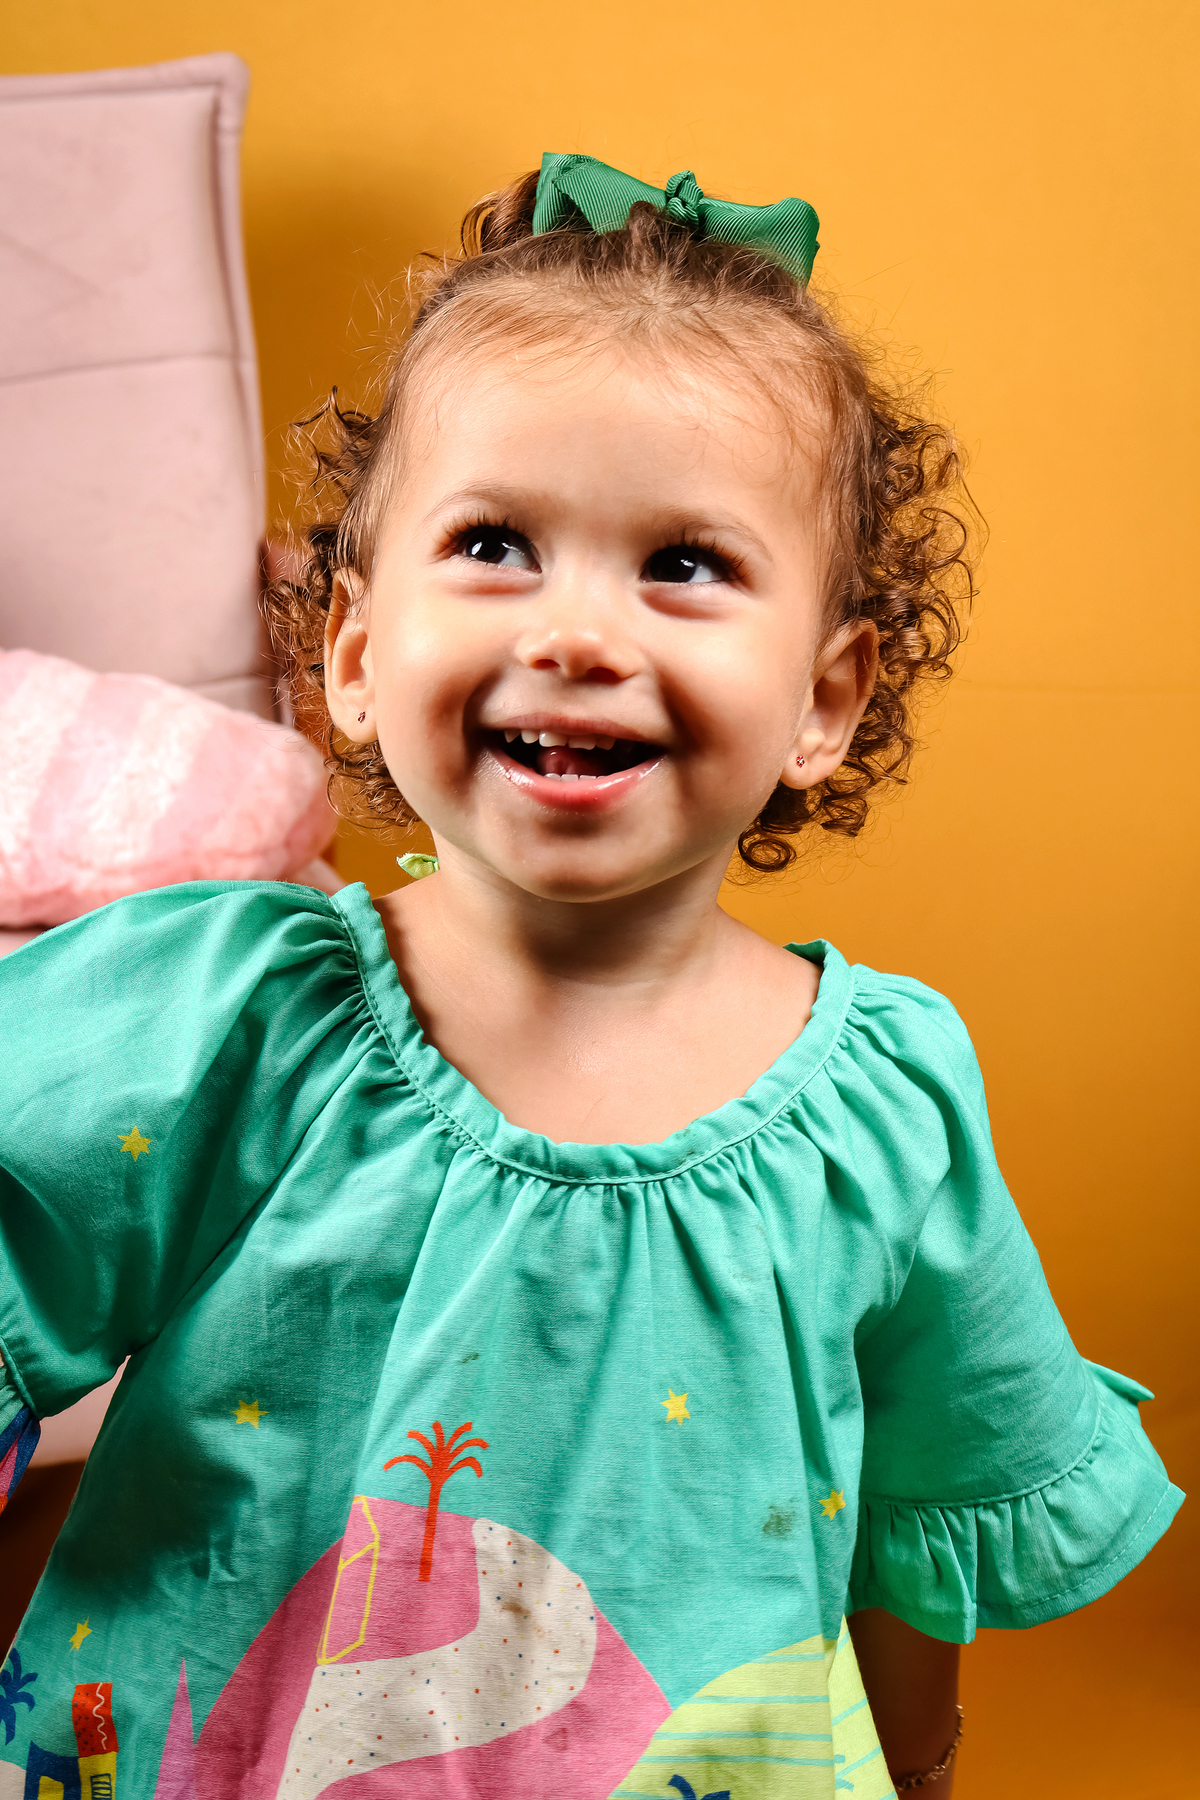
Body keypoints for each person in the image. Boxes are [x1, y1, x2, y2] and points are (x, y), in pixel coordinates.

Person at [0, 154, 1181, 1800]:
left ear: (825, 698)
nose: (575, 633)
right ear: (355, 650)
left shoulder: (885, 1111)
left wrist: (917, 1766)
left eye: (685, 564)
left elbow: (922, 1520)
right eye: (496, 543)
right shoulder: (219, 1021)